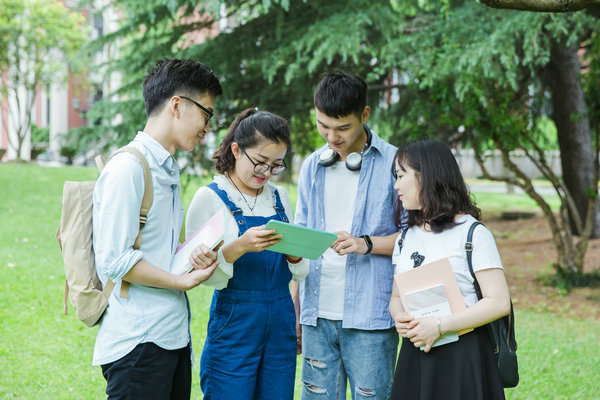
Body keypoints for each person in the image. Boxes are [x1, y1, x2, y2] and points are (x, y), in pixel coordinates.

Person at [92, 58, 223, 400]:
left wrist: (191, 258)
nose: (208, 126)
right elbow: (116, 260)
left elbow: (157, 250)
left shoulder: (166, 168)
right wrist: (181, 280)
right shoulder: (129, 168)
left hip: (171, 335)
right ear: (177, 105)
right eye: (206, 114)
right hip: (139, 344)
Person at [185, 108, 309, 400]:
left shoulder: (278, 197)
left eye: (276, 165)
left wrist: (295, 257)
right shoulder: (211, 198)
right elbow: (197, 274)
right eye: (260, 163)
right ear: (237, 150)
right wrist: (239, 246)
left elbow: (298, 273)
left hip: (280, 318)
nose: (266, 173)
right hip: (236, 319)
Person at [292, 71, 399, 399]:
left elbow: (417, 238)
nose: (331, 137)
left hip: (371, 317)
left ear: (365, 115)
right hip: (316, 315)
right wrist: (295, 305)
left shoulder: (396, 163)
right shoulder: (312, 166)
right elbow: (300, 241)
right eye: (323, 125)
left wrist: (365, 244)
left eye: (343, 128)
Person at [389, 138, 511, 399]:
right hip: (416, 355)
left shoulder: (473, 234)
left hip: (463, 358)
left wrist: (441, 325)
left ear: (427, 176)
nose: (396, 185)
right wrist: (399, 318)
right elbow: (396, 298)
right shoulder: (405, 237)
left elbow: (499, 302)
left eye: (401, 176)